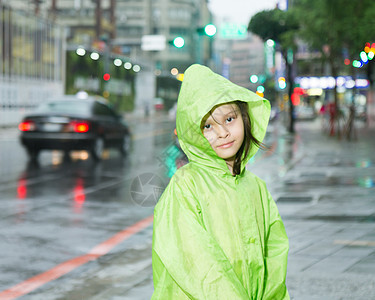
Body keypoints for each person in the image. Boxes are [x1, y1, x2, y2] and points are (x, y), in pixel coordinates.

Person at [152, 64, 289, 299]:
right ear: (195, 133)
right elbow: (195, 261)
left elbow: (274, 253)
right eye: (208, 126)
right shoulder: (186, 184)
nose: (222, 132)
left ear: (244, 118)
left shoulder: (256, 186)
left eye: (229, 119)